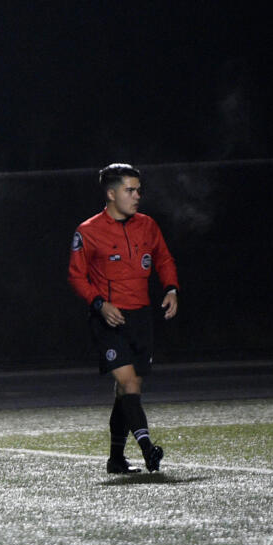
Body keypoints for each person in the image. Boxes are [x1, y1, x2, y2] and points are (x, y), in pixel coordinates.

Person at [68, 163, 179, 474]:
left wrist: (171, 288)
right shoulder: (88, 231)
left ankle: (116, 458)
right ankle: (147, 448)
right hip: (109, 319)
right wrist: (99, 304)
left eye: (138, 190)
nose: (137, 196)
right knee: (128, 383)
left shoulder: (148, 225)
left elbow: (164, 258)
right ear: (111, 194)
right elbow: (76, 277)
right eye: (130, 190)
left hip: (141, 317)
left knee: (128, 390)